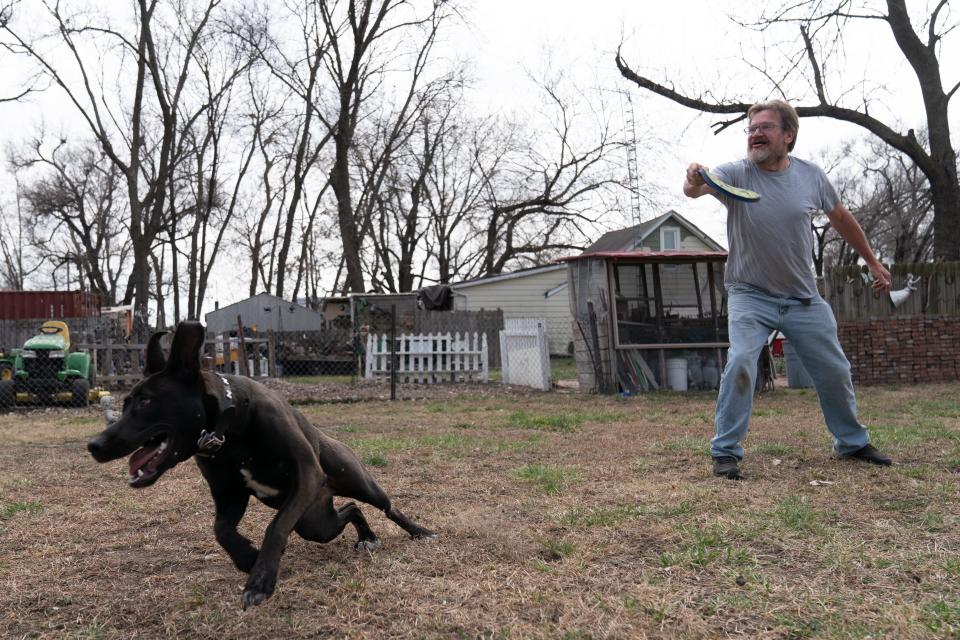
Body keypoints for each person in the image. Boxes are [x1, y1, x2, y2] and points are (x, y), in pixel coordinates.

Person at [683, 99, 893, 480]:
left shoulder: (811, 176)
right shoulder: (736, 173)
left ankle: (851, 442)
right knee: (742, 362)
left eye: (765, 127)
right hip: (750, 294)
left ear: (788, 135)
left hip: (803, 299)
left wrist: (873, 261)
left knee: (834, 369)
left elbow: (841, 217)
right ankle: (725, 451)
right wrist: (694, 176)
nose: (755, 134)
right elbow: (694, 189)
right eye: (751, 129)